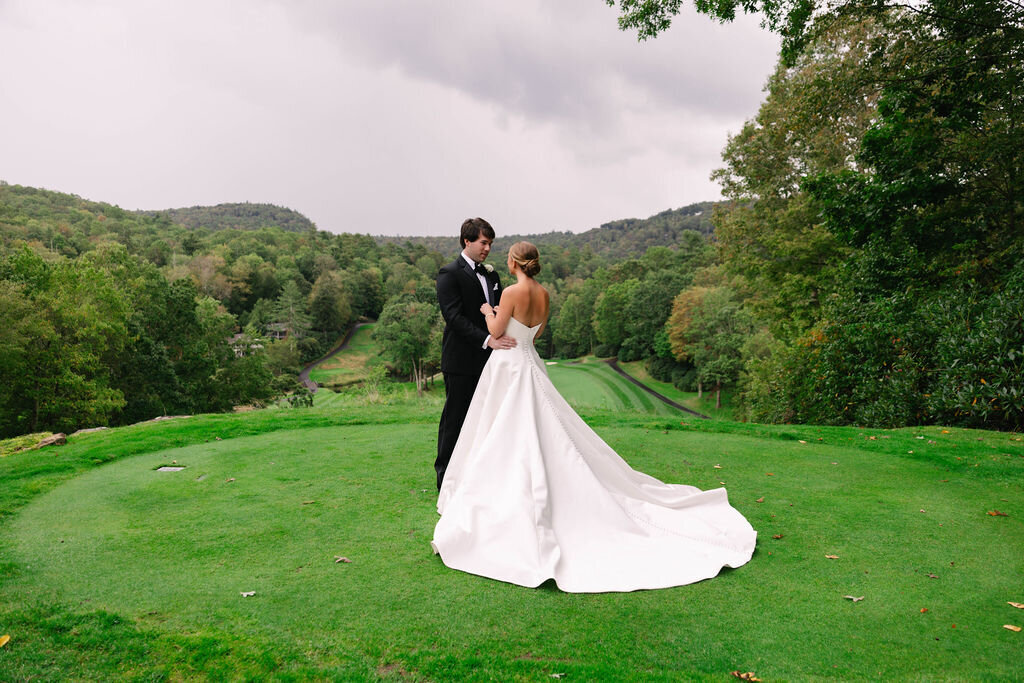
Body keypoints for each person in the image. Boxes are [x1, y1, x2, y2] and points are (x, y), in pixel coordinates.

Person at [432, 242, 756, 593]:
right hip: (529, 362)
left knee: (504, 429)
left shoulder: (511, 290)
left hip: (508, 367)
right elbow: (537, 333)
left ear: (513, 262)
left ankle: (505, 491)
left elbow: (496, 332)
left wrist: (486, 312)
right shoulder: (543, 293)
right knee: (535, 428)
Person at [434, 217, 517, 491]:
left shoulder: (492, 275)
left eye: (491, 244)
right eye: (483, 242)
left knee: (487, 419)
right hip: (460, 361)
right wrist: (487, 340)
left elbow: (500, 311)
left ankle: (479, 479)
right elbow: (454, 318)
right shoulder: (449, 273)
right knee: (455, 421)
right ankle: (445, 480)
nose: (487, 249)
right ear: (467, 241)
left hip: (491, 363)